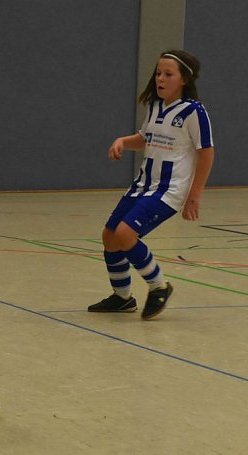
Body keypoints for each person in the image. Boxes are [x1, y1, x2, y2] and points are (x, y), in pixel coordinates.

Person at [88, 50, 214, 320]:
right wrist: (123, 141)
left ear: (183, 79)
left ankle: (159, 286)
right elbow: (146, 139)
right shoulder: (156, 106)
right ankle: (122, 298)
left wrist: (195, 195)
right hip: (143, 185)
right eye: (158, 73)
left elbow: (206, 152)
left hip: (169, 190)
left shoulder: (194, 111)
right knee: (110, 236)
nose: (160, 78)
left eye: (168, 74)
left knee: (125, 235)